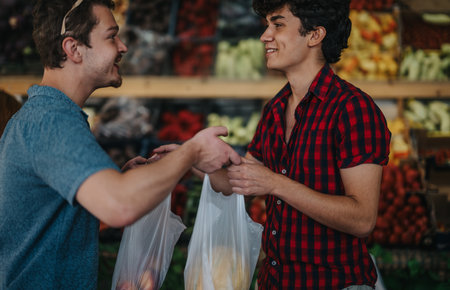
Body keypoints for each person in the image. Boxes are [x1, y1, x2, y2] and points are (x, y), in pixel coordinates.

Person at [0, 0, 240, 289]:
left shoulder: (45, 115)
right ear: (73, 49)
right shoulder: (52, 121)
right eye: (111, 36)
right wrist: (193, 151)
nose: (123, 47)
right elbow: (119, 207)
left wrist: (117, 180)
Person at [156, 0, 391, 289]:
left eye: (277, 25)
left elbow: (362, 219)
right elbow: (242, 183)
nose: (264, 36)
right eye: (267, 25)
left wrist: (275, 183)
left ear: (315, 36)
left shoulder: (353, 109)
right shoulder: (276, 108)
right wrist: (185, 159)